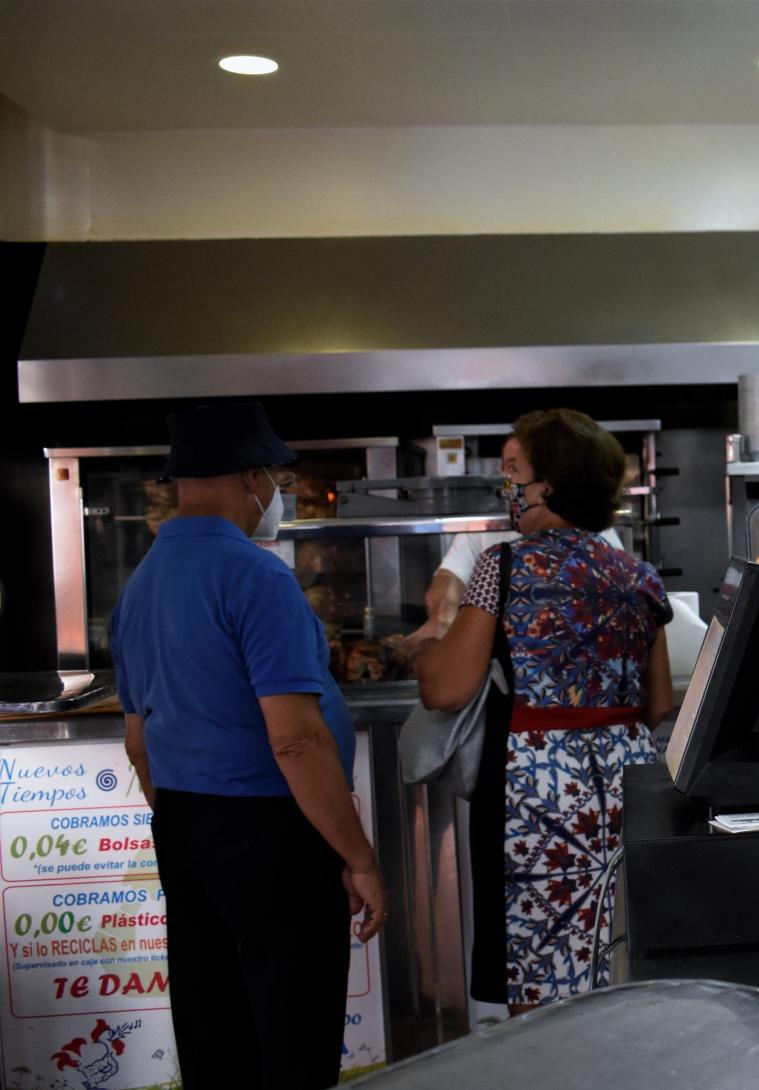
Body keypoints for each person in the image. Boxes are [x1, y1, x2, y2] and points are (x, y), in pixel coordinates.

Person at [111, 402, 386, 1090]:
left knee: (213, 1031)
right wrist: (357, 857)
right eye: (274, 475)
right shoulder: (257, 577)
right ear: (250, 476)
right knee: (292, 1040)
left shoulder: (139, 586)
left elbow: (138, 742)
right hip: (271, 834)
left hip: (183, 824)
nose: (278, 491)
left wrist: (190, 823)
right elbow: (294, 741)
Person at [416, 409, 672, 1010]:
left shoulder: (501, 567)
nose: (506, 485)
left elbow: (447, 689)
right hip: (628, 785)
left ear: (548, 485)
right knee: (619, 959)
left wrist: (429, 647)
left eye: (514, 472)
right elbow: (657, 704)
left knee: (539, 970)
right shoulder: (638, 574)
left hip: (534, 793)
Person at [413, 434, 627, 640]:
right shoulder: (487, 528)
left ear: (544, 484)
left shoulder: (497, 561)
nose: (507, 480)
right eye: (505, 467)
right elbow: (450, 577)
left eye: (514, 468)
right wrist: (444, 617)